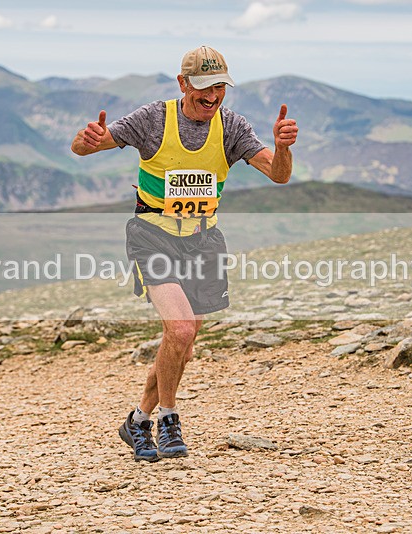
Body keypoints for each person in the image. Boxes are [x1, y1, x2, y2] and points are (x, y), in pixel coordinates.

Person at [71, 45, 298, 462]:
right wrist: (85, 142)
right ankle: (169, 418)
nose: (212, 97)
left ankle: (137, 420)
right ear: (182, 84)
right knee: (179, 331)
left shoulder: (231, 126)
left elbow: (279, 175)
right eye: (203, 88)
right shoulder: (153, 119)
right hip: (152, 236)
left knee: (184, 344)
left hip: (203, 241)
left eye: (219, 88)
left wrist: (283, 147)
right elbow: (88, 147)